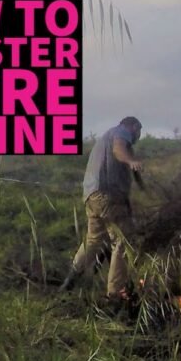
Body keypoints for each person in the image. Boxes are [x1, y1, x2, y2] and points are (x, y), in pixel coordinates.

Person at [59, 116, 143, 300]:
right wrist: (130, 161)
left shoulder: (106, 136)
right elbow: (119, 149)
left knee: (93, 240)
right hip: (107, 196)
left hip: (91, 196)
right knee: (123, 240)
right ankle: (115, 293)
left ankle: (69, 281)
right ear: (134, 127)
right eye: (139, 131)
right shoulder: (121, 132)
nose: (138, 135)